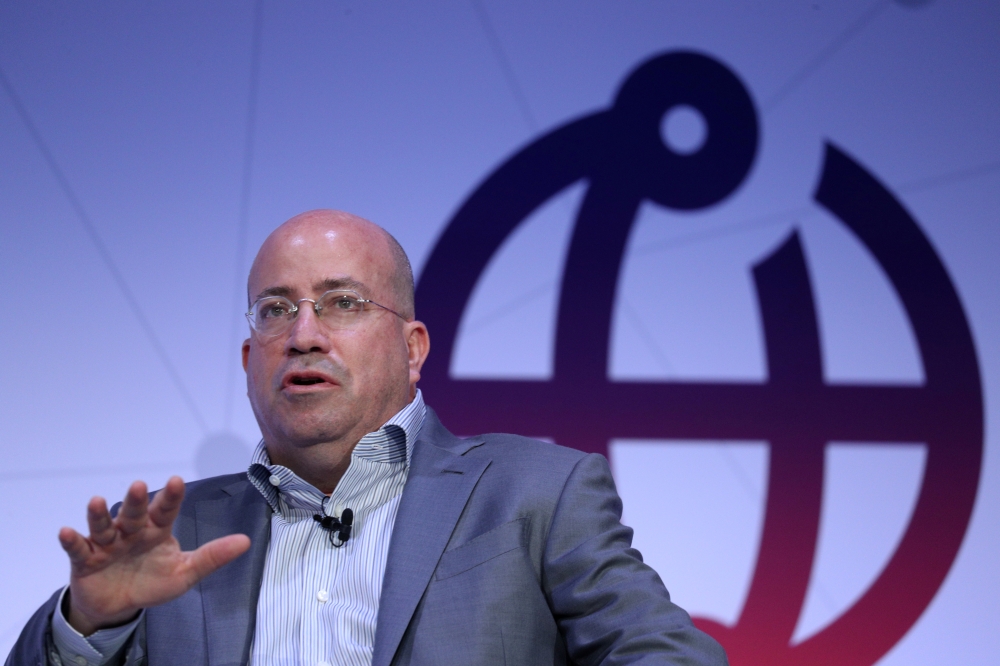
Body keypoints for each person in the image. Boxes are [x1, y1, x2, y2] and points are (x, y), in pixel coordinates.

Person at [7, 210, 728, 665]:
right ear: (249, 360)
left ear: (413, 348)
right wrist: (91, 624)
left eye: (341, 303)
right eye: (275, 310)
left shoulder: (534, 495)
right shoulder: (176, 536)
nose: (304, 334)